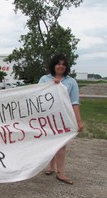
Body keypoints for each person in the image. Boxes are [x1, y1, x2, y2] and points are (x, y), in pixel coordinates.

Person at [39, 53, 84, 185]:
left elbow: (74, 102)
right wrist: (52, 85)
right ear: (53, 65)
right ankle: (51, 167)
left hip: (63, 118)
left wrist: (79, 121)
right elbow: (38, 97)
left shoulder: (71, 82)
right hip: (47, 118)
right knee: (49, 143)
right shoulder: (44, 79)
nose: (61, 66)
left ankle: (61, 173)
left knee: (61, 144)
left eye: (63, 64)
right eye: (58, 63)